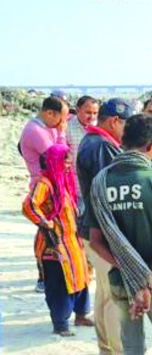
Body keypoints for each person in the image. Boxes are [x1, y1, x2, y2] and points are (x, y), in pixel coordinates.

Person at [86, 114, 152, 354]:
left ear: (123, 140)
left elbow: (95, 241)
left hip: (121, 281)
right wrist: (148, 279)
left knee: (132, 346)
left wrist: (128, 270)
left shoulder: (101, 181)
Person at [76, 97, 132, 355]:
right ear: (114, 121)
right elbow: (111, 195)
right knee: (115, 298)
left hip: (91, 228)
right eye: (126, 125)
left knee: (104, 293)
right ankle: (117, 350)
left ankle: (105, 349)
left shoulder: (92, 140)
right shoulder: (103, 147)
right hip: (103, 231)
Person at [22, 144, 92, 337]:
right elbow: (29, 205)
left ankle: (81, 315)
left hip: (73, 244)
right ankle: (60, 324)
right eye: (65, 163)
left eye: (69, 164)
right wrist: (45, 222)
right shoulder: (45, 183)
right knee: (59, 284)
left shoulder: (63, 183)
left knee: (81, 279)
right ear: (54, 163)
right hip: (54, 246)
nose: (68, 167)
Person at [19, 95, 69, 293]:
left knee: (51, 232)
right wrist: (62, 133)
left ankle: (49, 275)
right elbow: (58, 155)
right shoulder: (35, 130)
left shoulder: (43, 128)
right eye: (60, 118)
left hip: (49, 184)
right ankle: (43, 278)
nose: (61, 123)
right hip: (42, 186)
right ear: (49, 113)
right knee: (46, 233)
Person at [66, 96, 99, 163]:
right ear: (78, 110)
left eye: (95, 113)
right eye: (88, 113)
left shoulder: (100, 128)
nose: (92, 117)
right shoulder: (66, 128)